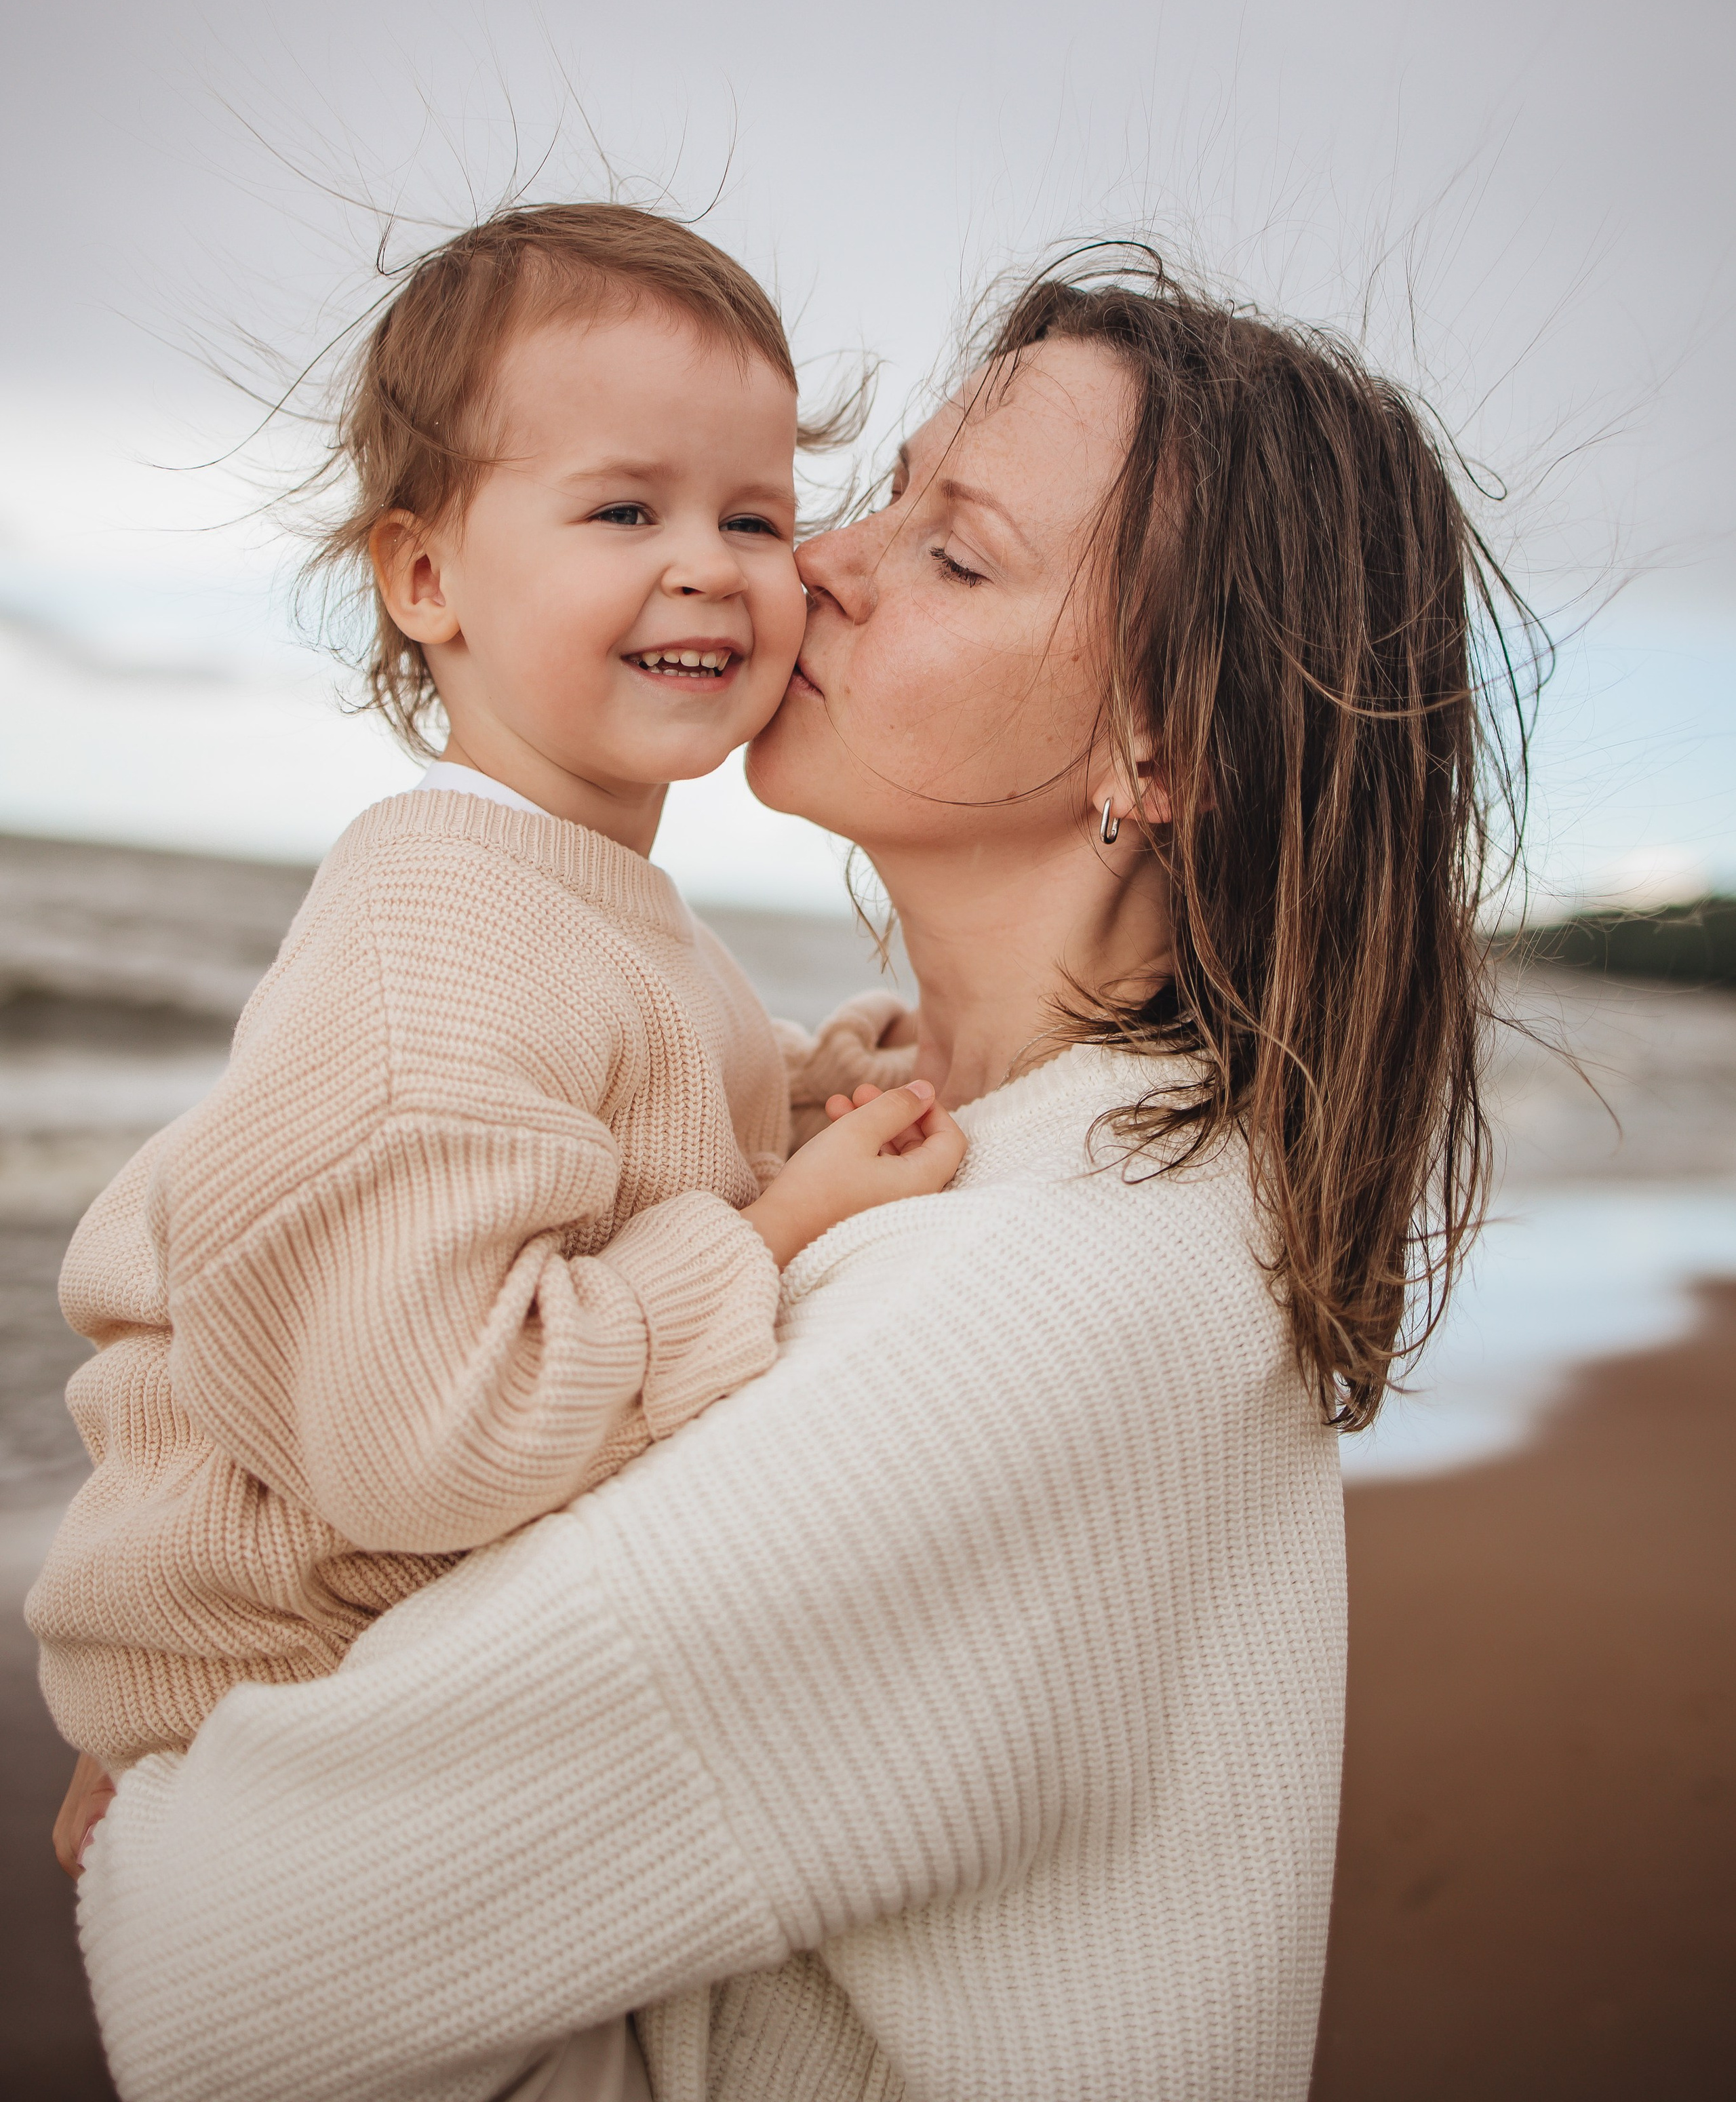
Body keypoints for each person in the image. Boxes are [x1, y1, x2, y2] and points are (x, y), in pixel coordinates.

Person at [73, 251, 1510, 2102]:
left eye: (954, 553)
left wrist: (182, 1761)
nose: (814, 559)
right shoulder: (977, 1151)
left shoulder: (1034, 1305)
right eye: (882, 492)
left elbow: (216, 1966)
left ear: (1166, 744)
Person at [29, 204, 961, 1896]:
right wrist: (777, 1228)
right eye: (623, 509)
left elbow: (638, 1107)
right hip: (280, 1691)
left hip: (365, 1655)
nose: (711, 564)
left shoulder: (582, 899)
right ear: (424, 578)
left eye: (754, 516)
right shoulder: (440, 934)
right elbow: (428, 1430)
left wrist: (822, 1074)